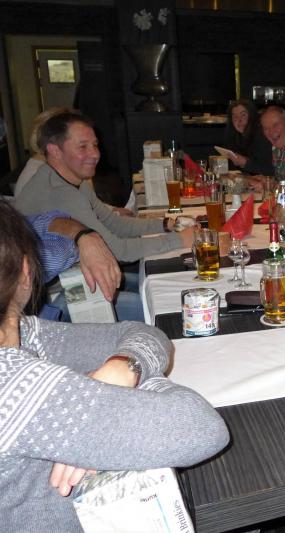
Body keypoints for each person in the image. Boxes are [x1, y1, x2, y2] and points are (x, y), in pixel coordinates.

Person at [0, 200, 229, 531]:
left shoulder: (25, 332)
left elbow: (143, 333)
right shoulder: (12, 385)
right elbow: (203, 428)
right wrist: (127, 384)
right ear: (26, 270)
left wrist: (122, 368)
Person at [14, 111, 195, 262]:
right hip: (55, 290)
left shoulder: (71, 180)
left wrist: (164, 224)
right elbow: (118, 251)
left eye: (95, 145)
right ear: (54, 150)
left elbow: (114, 224)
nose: (95, 154)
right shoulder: (60, 193)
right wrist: (179, 240)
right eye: (83, 147)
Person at [27, 210, 122, 321]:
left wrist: (82, 236)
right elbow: (120, 248)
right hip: (42, 314)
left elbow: (40, 223)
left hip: (49, 299)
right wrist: (83, 244)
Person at [221, 99, 275, 176]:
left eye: (243, 115)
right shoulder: (234, 136)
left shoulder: (262, 135)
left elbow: (269, 169)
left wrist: (245, 163)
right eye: (235, 117)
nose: (239, 120)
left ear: (251, 116)